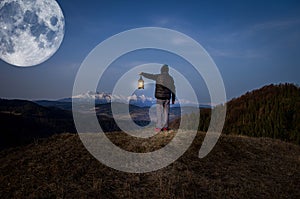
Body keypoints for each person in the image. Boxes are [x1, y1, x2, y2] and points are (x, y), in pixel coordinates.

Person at [140, 64, 176, 132]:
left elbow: (150, 76)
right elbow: (173, 89)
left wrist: (143, 73)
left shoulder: (158, 76)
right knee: (166, 112)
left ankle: (159, 127)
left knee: (159, 112)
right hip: (167, 98)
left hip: (159, 98)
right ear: (168, 71)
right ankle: (165, 127)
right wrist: (173, 99)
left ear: (161, 70)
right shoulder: (170, 78)